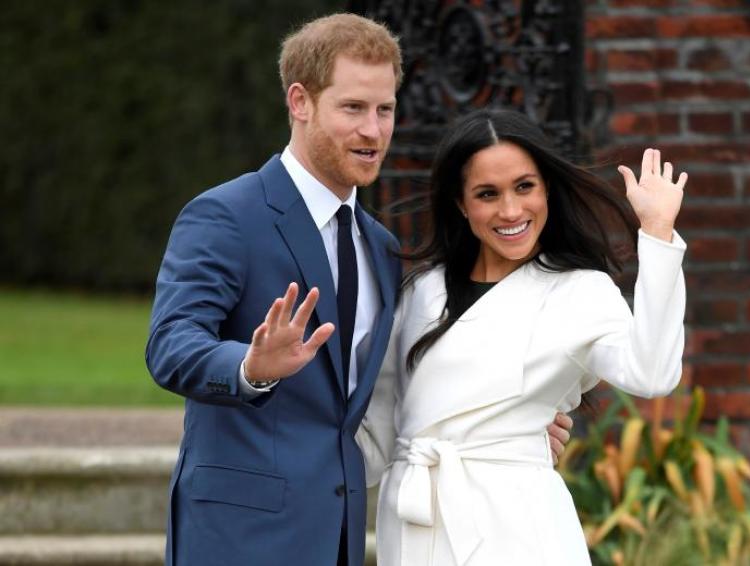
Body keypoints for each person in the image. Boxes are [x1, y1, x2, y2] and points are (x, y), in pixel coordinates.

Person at [146, 14, 571, 566]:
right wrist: (251, 367)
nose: (373, 131)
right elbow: (171, 344)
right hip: (238, 535)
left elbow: (396, 395)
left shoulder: (381, 248)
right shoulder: (226, 215)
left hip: (339, 536)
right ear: (300, 102)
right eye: (353, 109)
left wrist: (506, 427)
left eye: (385, 110)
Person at [356, 108, 688, 566]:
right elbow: (374, 440)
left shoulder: (579, 291)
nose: (511, 210)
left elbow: (651, 373)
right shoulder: (419, 293)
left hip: (519, 531)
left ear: (546, 187)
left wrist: (656, 232)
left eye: (524, 187)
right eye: (487, 194)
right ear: (460, 202)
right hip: (415, 526)